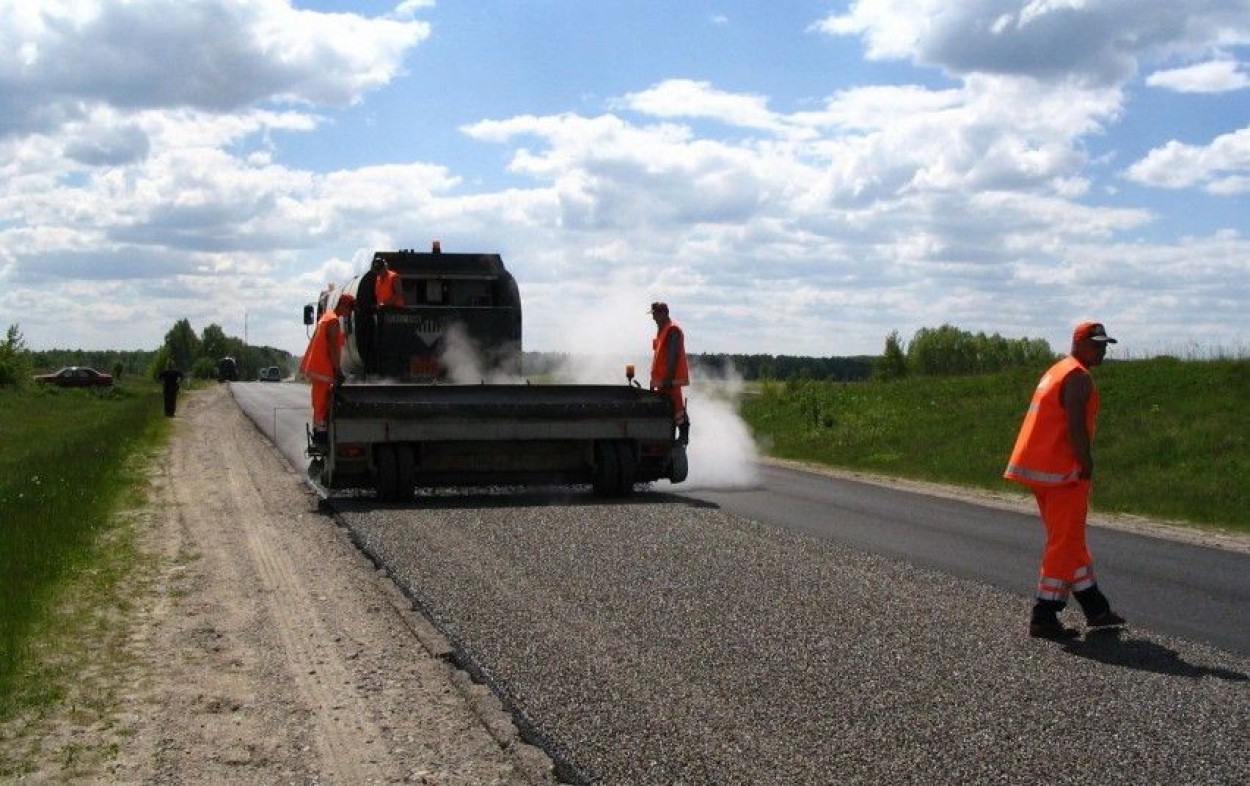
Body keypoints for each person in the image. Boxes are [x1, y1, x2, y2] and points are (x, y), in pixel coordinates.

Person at [1005, 321, 1127, 639]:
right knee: (1064, 543)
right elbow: (1075, 425)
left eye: (1105, 345)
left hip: (1041, 469)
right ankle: (1045, 614)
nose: (1102, 351)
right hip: (1064, 474)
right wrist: (1086, 463)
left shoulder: (1058, 370)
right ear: (1079, 343)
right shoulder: (1078, 376)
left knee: (1070, 539)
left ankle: (1095, 607)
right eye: (1097, 344)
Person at [300, 292, 355, 444]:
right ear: (343, 305)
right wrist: (338, 371)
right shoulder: (333, 322)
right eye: (350, 308)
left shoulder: (327, 317)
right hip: (322, 369)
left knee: (319, 402)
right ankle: (321, 437)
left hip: (319, 369)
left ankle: (319, 434)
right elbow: (333, 349)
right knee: (321, 403)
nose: (351, 312)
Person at [649, 301, 690, 445]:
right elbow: (659, 357)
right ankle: (668, 438)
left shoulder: (672, 330)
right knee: (669, 409)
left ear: (664, 313)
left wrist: (668, 378)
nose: (653, 318)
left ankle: (683, 436)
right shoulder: (663, 330)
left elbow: (673, 357)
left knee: (677, 408)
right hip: (663, 381)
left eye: (655, 315)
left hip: (670, 381)